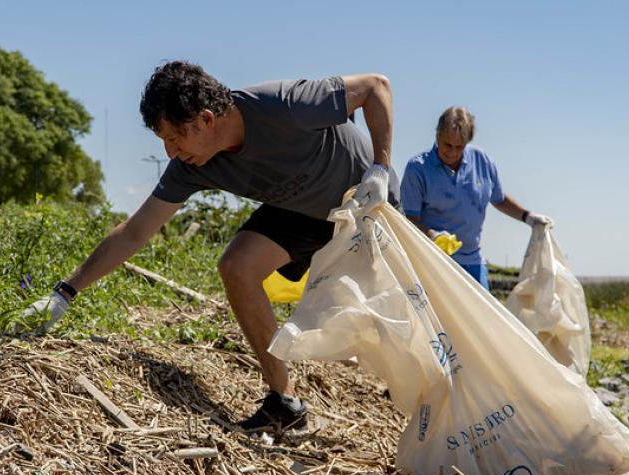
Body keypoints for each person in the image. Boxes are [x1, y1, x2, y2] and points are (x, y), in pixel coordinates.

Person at [23, 61, 398, 434]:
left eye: (175, 138)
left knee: (407, 311)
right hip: (301, 212)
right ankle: (285, 401)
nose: (171, 153)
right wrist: (65, 293)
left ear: (205, 119)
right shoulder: (192, 166)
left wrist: (379, 169)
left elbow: (374, 87)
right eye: (164, 141)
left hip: (367, 202)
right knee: (238, 266)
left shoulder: (282, 104)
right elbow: (136, 231)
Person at [400, 107, 552, 289]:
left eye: (459, 147)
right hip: (433, 263)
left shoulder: (482, 161)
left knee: (481, 316)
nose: (452, 152)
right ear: (437, 136)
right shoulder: (417, 169)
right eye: (447, 145)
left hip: (473, 262)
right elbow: (410, 219)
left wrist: (528, 217)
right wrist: (432, 235)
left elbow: (499, 199)